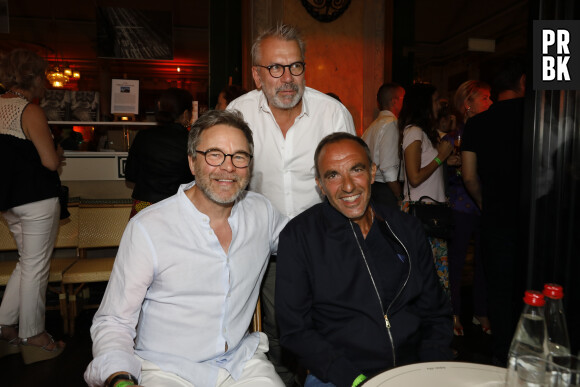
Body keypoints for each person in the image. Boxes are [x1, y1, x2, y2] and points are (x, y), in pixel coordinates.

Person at [84, 110, 288, 387]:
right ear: (192, 162)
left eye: (239, 156)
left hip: (240, 364)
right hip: (165, 368)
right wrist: (120, 378)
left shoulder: (261, 212)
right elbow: (114, 321)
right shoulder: (149, 228)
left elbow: (308, 242)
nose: (228, 167)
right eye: (215, 154)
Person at [227, 24, 355, 386]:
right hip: (266, 252)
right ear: (256, 74)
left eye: (295, 66)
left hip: (327, 245)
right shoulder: (238, 114)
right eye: (275, 68)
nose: (287, 78)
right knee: (279, 331)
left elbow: (352, 185)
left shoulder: (332, 115)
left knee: (334, 325)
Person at [276, 133, 453, 387]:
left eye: (356, 170)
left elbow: (436, 312)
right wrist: (355, 380)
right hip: (338, 375)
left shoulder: (405, 229)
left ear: (372, 172)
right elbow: (295, 331)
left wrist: (429, 369)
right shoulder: (299, 237)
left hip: (412, 369)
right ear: (320, 185)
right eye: (333, 175)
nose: (348, 186)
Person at [0, 48, 66, 364]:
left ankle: (4, 326)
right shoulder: (30, 111)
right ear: (33, 77)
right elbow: (49, 162)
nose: (46, 83)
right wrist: (58, 153)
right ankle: (34, 336)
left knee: (26, 262)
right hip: (36, 199)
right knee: (36, 266)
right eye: (43, 76)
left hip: (7, 200)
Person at [461, 58, 527, 366]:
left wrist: (485, 202)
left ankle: (503, 354)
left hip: (496, 218)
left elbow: (469, 175)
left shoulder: (477, 124)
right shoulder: (538, 117)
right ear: (524, 83)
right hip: (533, 220)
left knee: (499, 289)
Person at [398, 83, 460, 297]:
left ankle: (437, 320)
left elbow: (426, 166)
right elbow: (414, 177)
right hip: (421, 211)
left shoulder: (424, 133)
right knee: (425, 274)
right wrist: (440, 157)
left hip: (432, 210)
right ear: (424, 104)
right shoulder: (414, 131)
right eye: (435, 101)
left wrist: (445, 161)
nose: (439, 105)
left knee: (434, 273)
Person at [445, 80, 493, 336]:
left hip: (484, 205)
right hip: (461, 206)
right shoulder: (455, 136)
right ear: (468, 104)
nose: (490, 102)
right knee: (456, 261)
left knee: (485, 261)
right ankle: (453, 313)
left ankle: (480, 311)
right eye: (484, 98)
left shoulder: (492, 131)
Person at [125, 88, 194, 218]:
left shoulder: (143, 136)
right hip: (176, 207)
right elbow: (195, 180)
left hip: (144, 205)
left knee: (141, 236)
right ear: (185, 114)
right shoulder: (191, 141)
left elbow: (130, 175)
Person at [362, 83, 405, 207]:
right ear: (394, 101)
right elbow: (388, 169)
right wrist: (399, 196)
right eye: (403, 99)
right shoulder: (391, 124)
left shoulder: (372, 126)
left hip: (373, 188)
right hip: (387, 190)